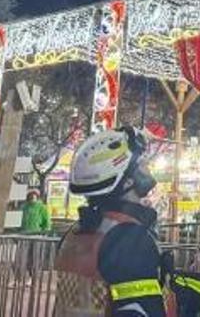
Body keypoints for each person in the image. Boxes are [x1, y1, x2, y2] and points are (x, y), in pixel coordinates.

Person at [54, 126, 172, 317]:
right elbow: (140, 309)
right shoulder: (129, 239)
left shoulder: (77, 231)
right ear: (125, 182)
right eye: (140, 163)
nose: (146, 166)